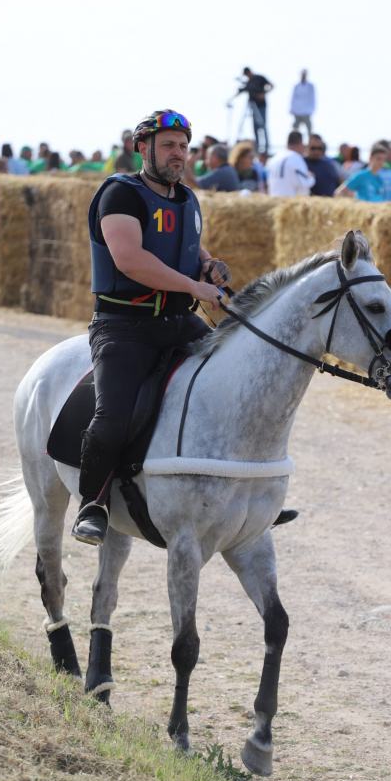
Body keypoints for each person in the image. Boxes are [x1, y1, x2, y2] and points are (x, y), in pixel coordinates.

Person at [71, 109, 231, 546]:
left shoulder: (187, 198)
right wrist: (196, 286)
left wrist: (208, 265)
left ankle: (240, 497)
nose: (178, 154)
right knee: (113, 415)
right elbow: (131, 260)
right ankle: (93, 503)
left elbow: (188, 246)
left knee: (235, 382)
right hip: (124, 326)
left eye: (183, 146)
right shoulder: (120, 195)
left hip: (179, 321)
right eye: (168, 145)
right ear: (143, 148)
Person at [236, 67, 273, 154]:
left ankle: (266, 148)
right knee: (255, 128)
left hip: (261, 107)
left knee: (262, 126)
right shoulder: (249, 82)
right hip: (253, 108)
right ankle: (257, 149)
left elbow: (271, 85)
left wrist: (263, 93)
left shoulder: (259, 78)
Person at [267, 131, 315, 197]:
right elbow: (305, 184)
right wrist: (311, 177)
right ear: (300, 143)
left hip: (274, 201)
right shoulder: (296, 158)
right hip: (289, 202)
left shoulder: (274, 158)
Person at [290, 69, 316, 139]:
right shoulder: (297, 86)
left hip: (306, 111)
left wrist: (312, 109)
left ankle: (310, 142)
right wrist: (292, 109)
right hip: (297, 111)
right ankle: (295, 141)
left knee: (309, 128)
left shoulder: (310, 86)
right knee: (295, 129)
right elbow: (293, 98)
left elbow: (313, 98)